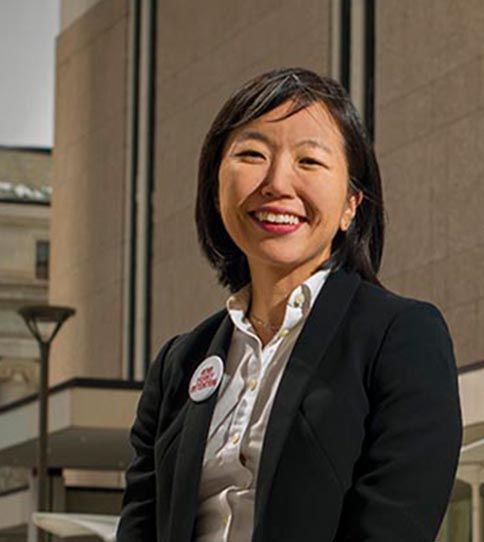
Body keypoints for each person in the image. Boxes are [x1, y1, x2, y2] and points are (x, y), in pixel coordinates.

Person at [116, 67, 463, 542]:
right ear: (216, 192)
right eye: (252, 154)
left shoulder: (401, 336)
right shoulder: (180, 363)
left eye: (310, 161)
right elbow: (140, 525)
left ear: (350, 206)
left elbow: (393, 526)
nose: (277, 182)